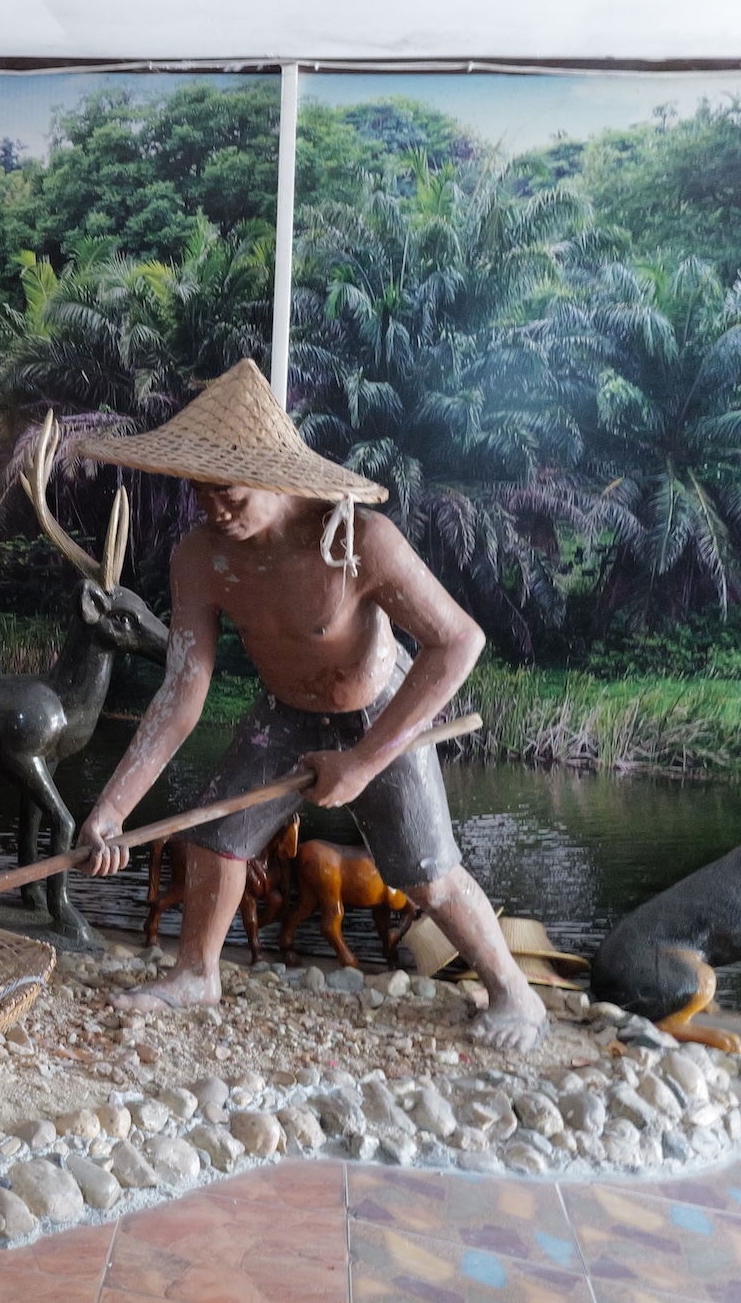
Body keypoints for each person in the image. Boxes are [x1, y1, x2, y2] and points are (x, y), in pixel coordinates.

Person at [73, 359, 549, 1053]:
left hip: (379, 711)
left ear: (275, 477)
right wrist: (112, 809)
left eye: (227, 489)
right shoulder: (200, 558)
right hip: (285, 714)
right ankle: (196, 973)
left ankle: (514, 991)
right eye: (198, 490)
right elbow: (181, 692)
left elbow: (458, 642)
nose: (212, 507)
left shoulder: (358, 540)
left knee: (426, 871)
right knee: (213, 837)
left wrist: (366, 760)